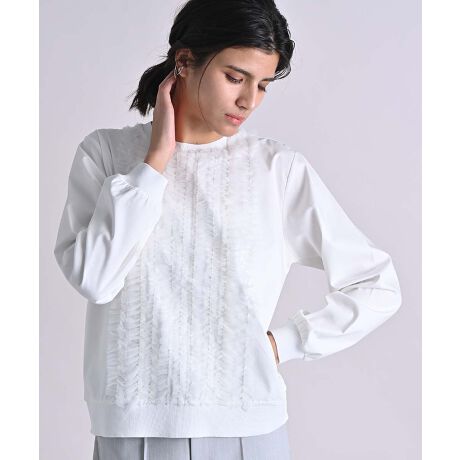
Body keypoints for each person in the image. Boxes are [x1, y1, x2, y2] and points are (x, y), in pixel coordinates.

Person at [53, 0, 402, 459]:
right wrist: (154, 164)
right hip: (131, 431)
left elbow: (377, 283)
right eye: (235, 77)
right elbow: (95, 280)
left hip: (247, 429)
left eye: (263, 85)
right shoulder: (105, 155)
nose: (248, 101)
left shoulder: (276, 169)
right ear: (184, 61)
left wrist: (283, 343)